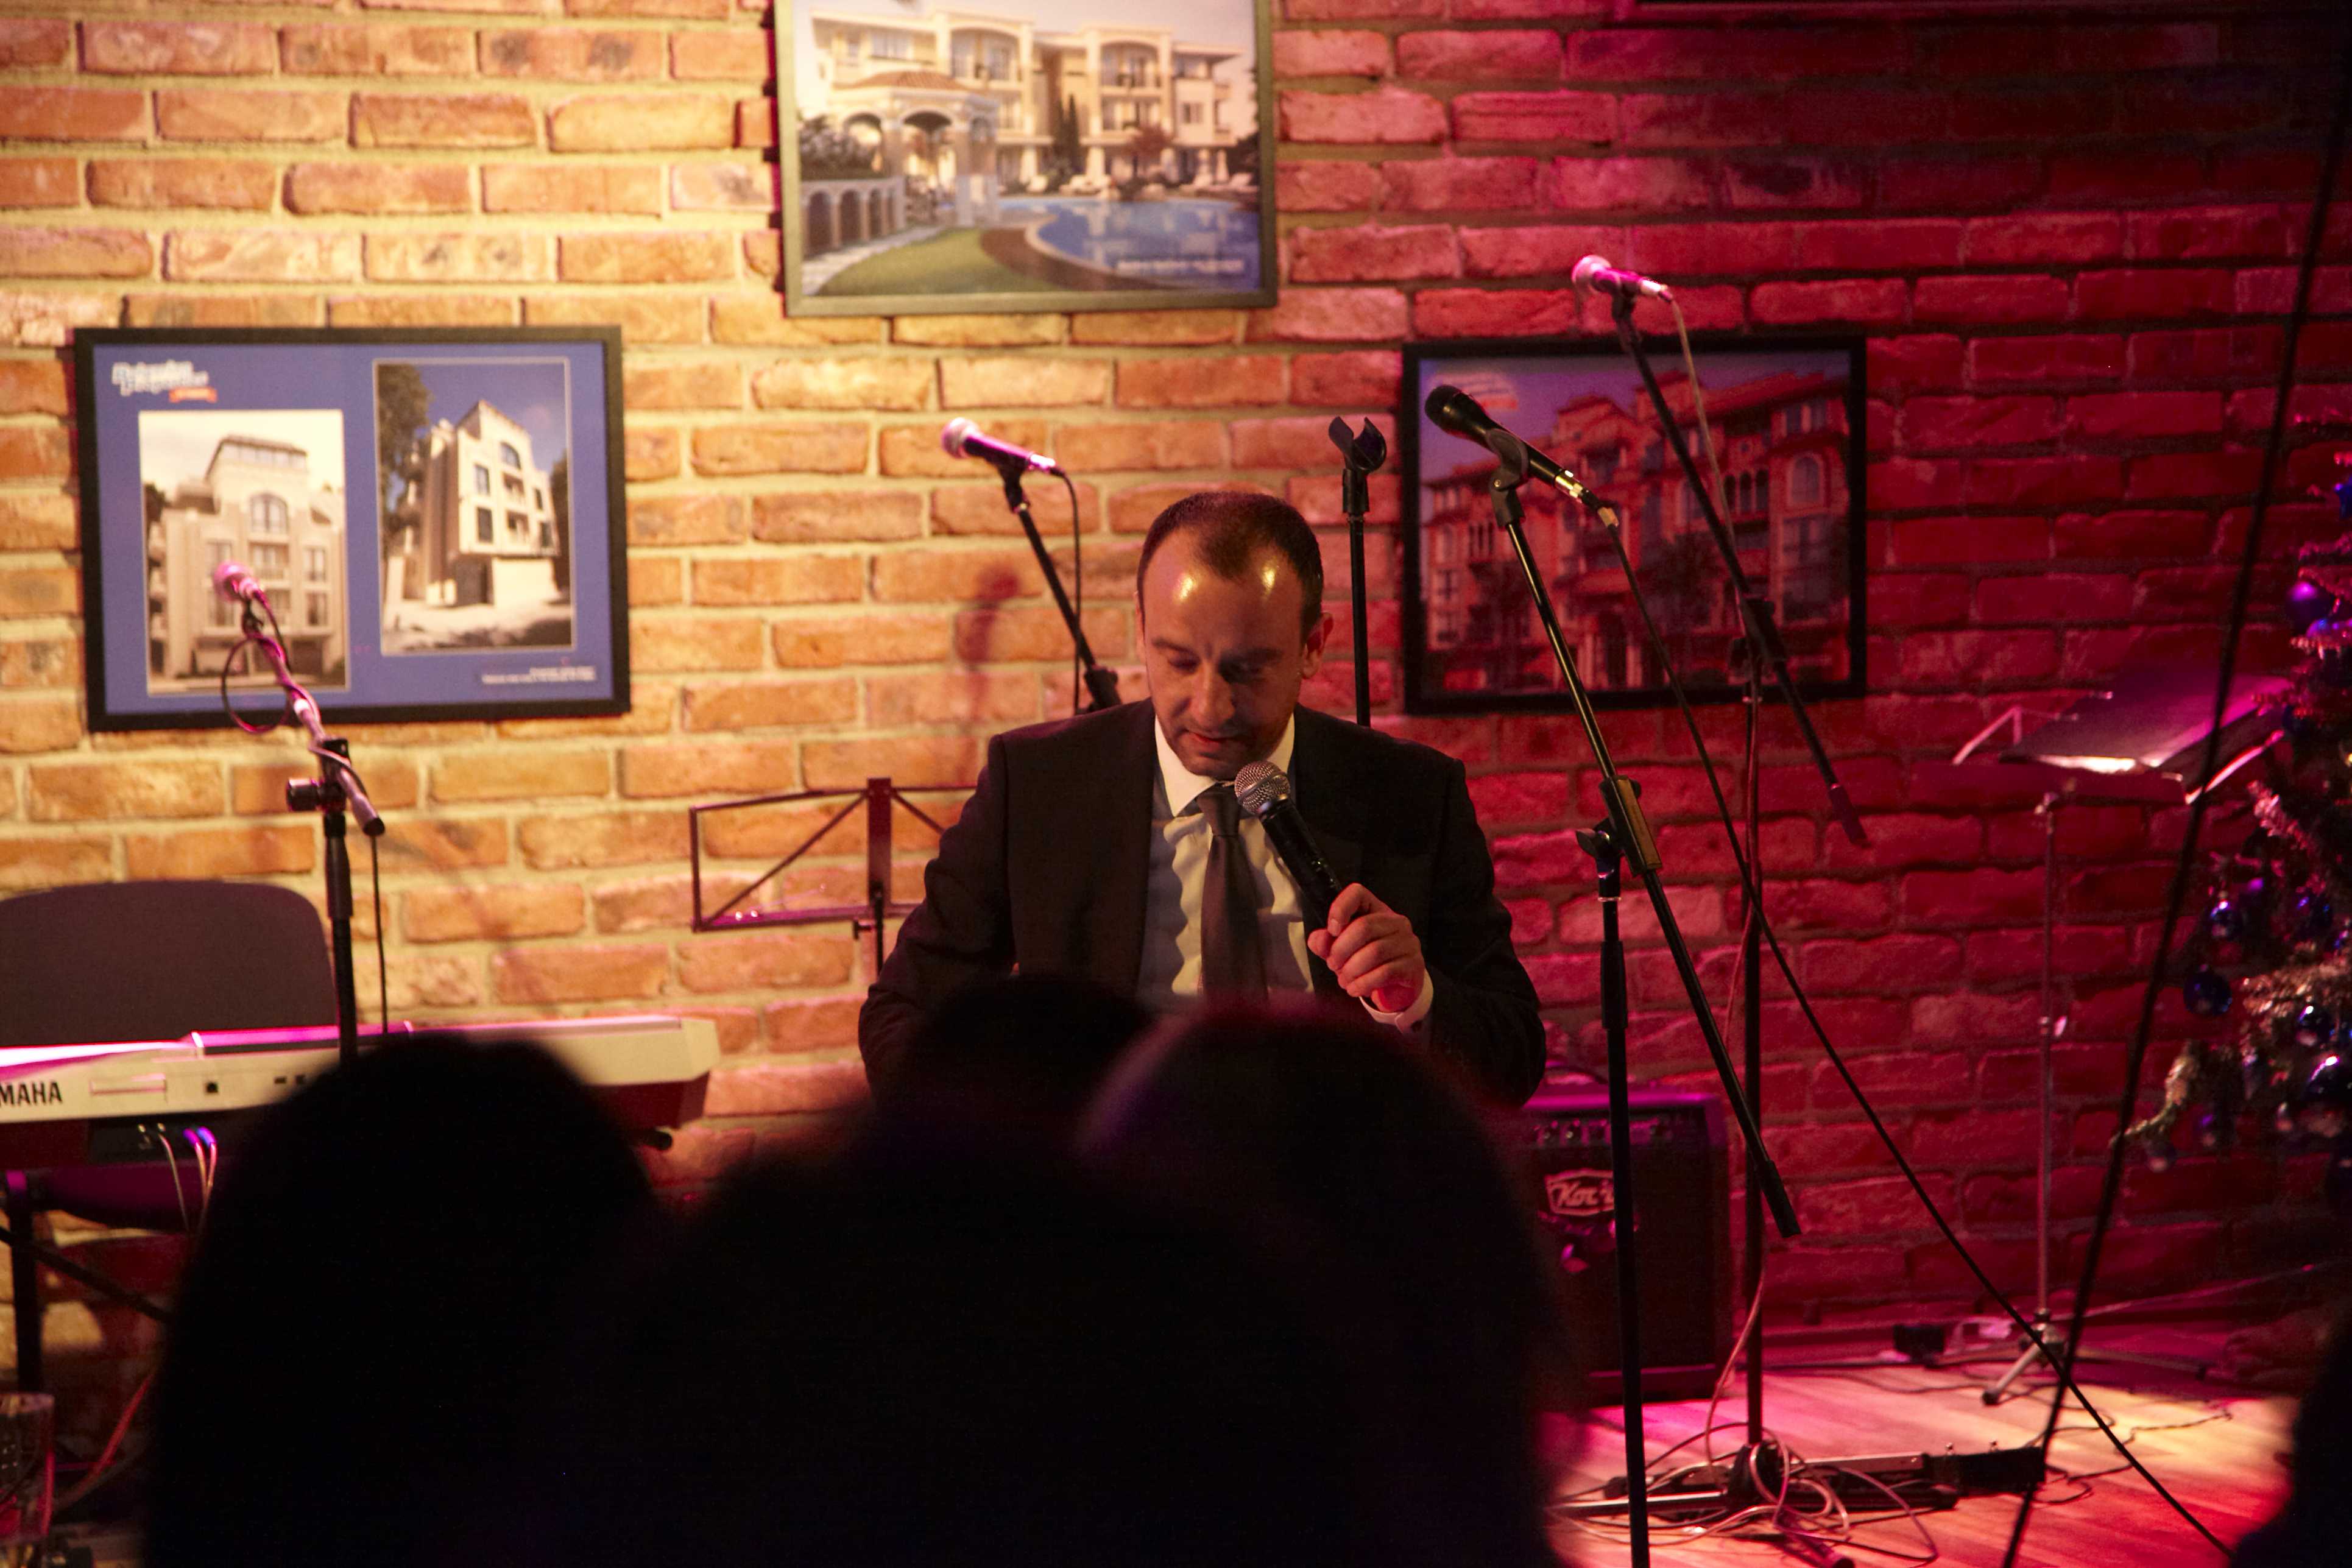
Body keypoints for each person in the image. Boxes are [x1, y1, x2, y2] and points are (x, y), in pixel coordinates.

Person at [860, 490, 1546, 1105]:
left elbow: (1513, 1060)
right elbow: (902, 1013)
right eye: (1179, 662)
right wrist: (1009, 1147)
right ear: (1140, 631)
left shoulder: (1411, 792)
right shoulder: (1039, 785)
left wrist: (1416, 998)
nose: (1211, 707)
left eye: (1247, 669)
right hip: (1109, 1184)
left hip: (1330, 1186)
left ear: (1312, 646)